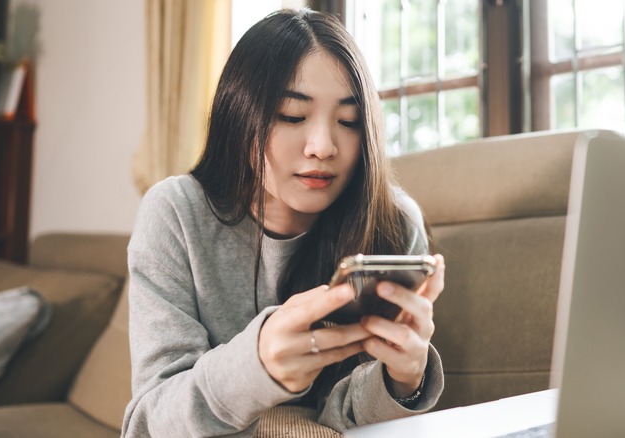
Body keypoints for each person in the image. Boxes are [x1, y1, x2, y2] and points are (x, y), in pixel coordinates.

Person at [121, 8, 446, 437]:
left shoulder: (393, 223)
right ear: (239, 114)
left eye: (348, 122)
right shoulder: (176, 214)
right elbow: (148, 422)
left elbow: (341, 418)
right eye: (293, 115)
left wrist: (401, 381)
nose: (323, 146)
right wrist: (254, 366)